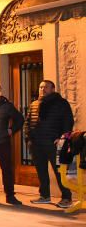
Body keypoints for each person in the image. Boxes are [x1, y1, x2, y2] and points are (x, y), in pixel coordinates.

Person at [27, 80, 74, 208]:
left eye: (46, 87)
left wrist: (63, 138)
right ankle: (44, 196)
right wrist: (29, 139)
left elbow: (68, 122)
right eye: (41, 87)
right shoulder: (34, 104)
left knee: (60, 172)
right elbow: (28, 122)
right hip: (37, 144)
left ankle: (66, 198)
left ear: (53, 89)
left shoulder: (61, 104)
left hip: (54, 144)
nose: (42, 89)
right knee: (41, 171)